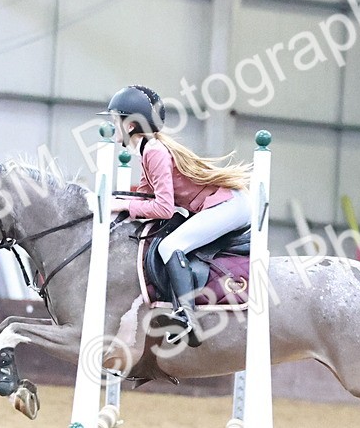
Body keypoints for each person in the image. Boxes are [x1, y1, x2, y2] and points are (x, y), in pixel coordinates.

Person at [103, 85, 252, 347]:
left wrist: (120, 205)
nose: (112, 125)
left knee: (170, 246)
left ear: (130, 126)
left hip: (229, 206)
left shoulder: (154, 152)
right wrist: (116, 202)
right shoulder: (146, 150)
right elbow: (146, 196)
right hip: (222, 204)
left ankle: (186, 316)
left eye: (116, 120)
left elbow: (163, 208)